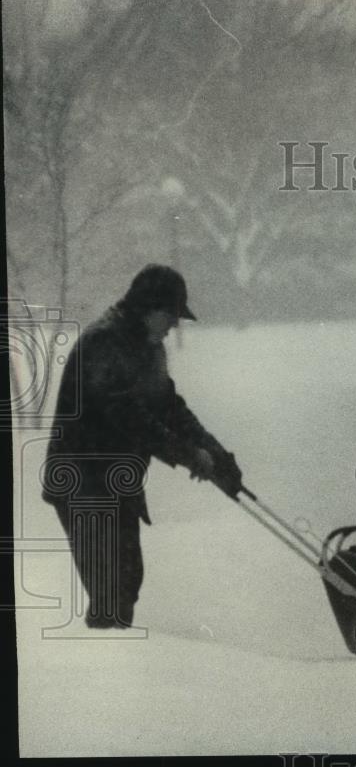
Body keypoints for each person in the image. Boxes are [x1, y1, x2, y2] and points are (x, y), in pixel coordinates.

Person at [42, 264, 243, 628]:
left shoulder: (149, 348)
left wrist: (216, 454)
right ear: (147, 307)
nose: (175, 325)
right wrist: (189, 456)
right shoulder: (103, 343)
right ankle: (98, 671)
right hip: (81, 482)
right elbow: (129, 417)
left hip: (116, 481)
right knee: (111, 587)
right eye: (171, 314)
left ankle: (111, 653)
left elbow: (169, 407)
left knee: (127, 581)